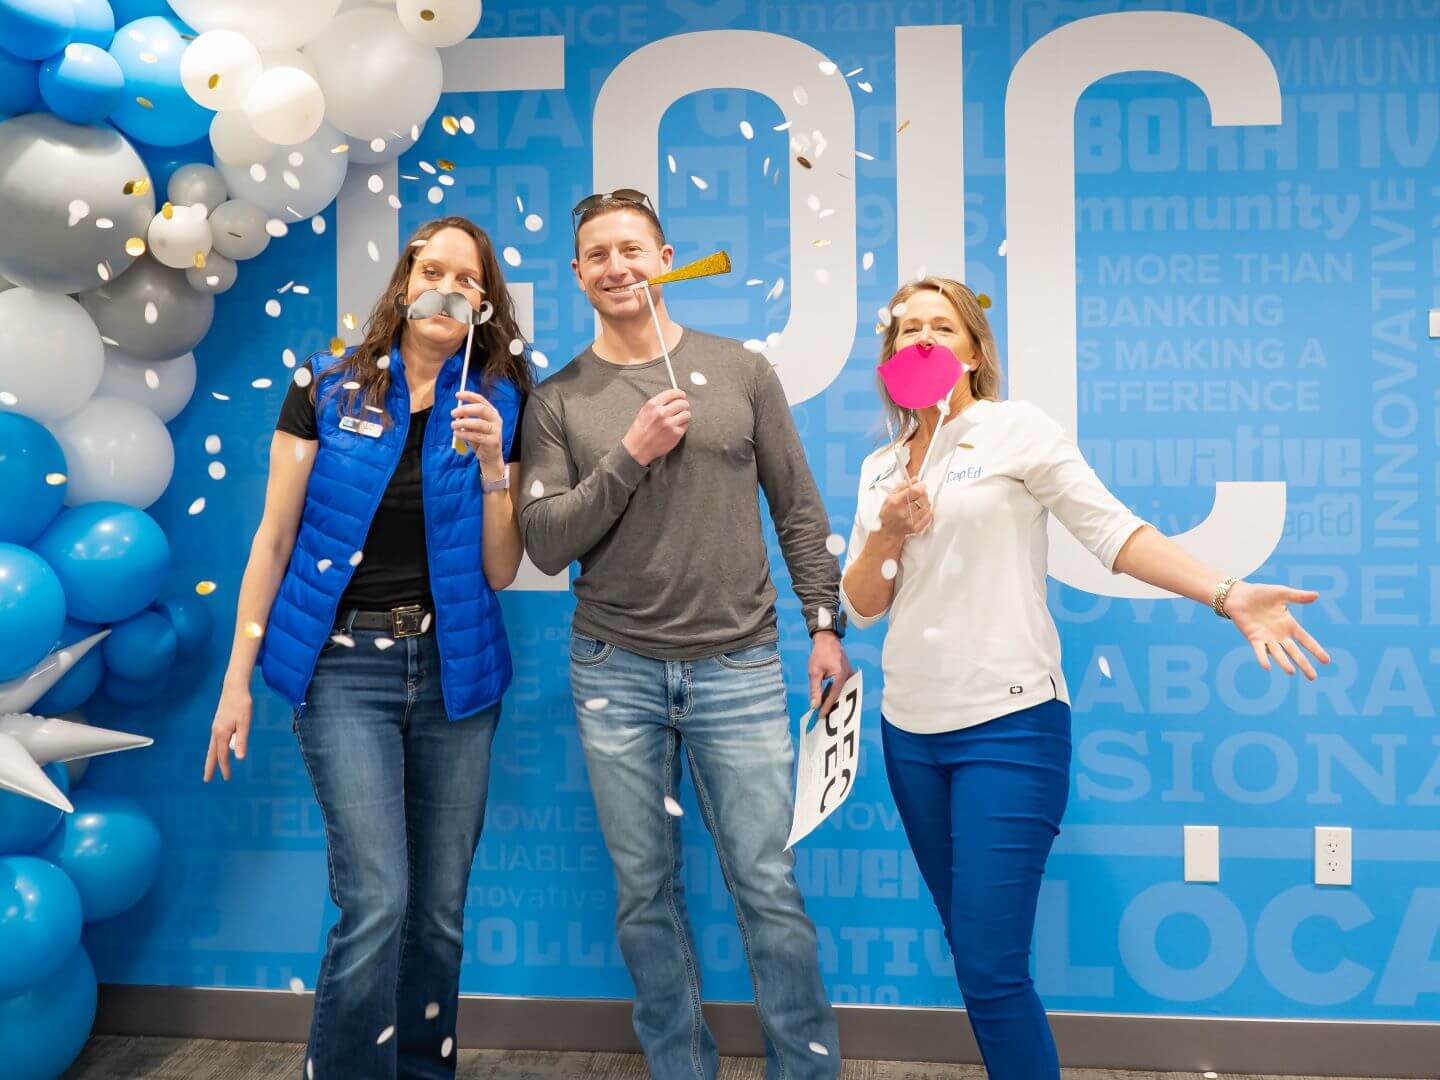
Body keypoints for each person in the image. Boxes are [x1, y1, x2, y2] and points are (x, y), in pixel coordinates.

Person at [840, 276, 1329, 1080]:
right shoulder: (880, 468)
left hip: (1009, 726)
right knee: (974, 957)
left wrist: (1228, 593)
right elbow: (864, 605)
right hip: (909, 732)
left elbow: (1114, 532)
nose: (922, 338)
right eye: (907, 329)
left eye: (942, 326)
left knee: (992, 969)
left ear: (971, 352)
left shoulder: (1013, 430)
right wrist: (886, 531)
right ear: (891, 355)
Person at [516, 189, 847, 1079]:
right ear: (578, 273)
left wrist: (825, 624)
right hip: (612, 670)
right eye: (598, 255)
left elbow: (799, 510)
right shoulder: (557, 400)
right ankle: (680, 1068)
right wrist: (631, 453)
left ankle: (806, 1071)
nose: (618, 267)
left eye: (633, 248)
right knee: (643, 896)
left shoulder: (742, 371)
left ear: (665, 258)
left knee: (768, 888)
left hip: (738, 665)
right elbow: (545, 543)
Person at [203, 216, 533, 1080]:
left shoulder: (503, 397)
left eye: (469, 280)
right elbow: (272, 542)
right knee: (378, 900)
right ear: (403, 282)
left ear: (485, 307)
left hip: (458, 675)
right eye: (434, 270)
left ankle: (425, 1073)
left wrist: (499, 466)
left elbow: (501, 570)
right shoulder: (326, 386)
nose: (448, 289)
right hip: (344, 669)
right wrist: (237, 681)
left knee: (441, 911)